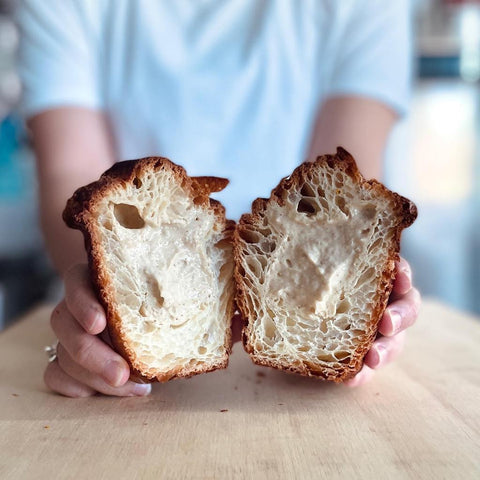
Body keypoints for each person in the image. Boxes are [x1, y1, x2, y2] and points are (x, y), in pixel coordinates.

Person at [15, 0, 421, 397]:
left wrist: (364, 305)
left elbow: (348, 189)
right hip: (115, 322)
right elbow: (72, 181)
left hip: (301, 325)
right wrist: (108, 317)